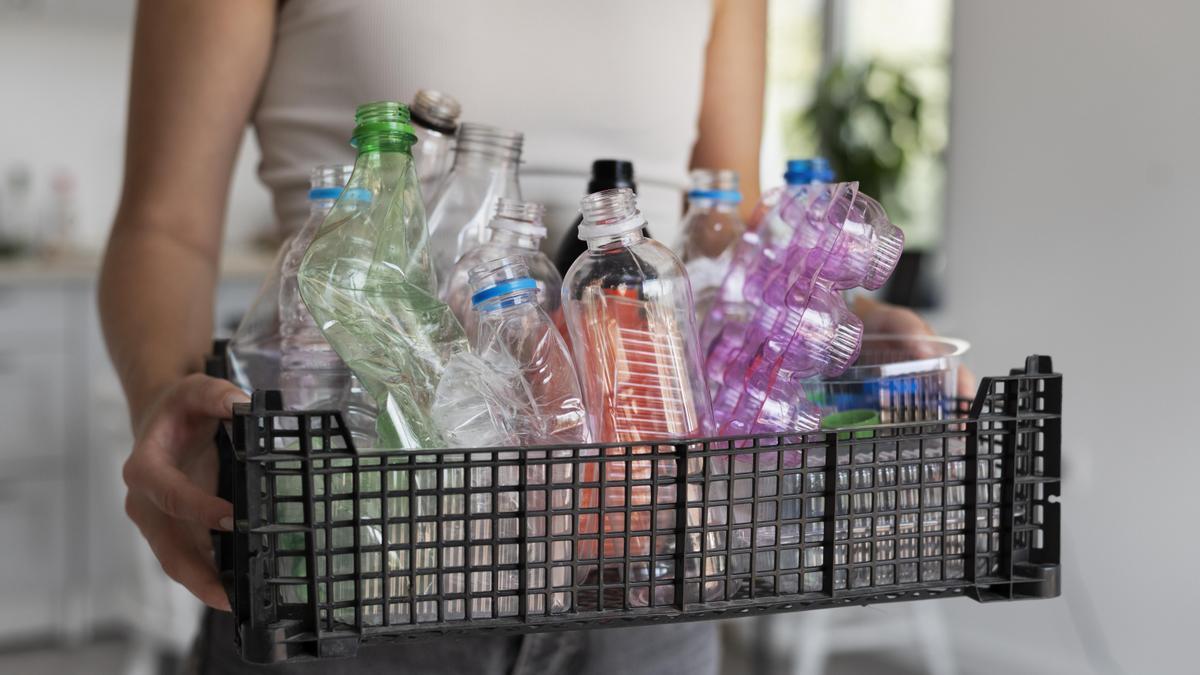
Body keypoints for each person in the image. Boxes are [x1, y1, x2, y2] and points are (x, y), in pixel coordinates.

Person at [98, 1, 946, 672]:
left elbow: (726, 232)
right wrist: (163, 400)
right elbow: (163, 225)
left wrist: (859, 327)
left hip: (644, 573)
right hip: (358, 554)